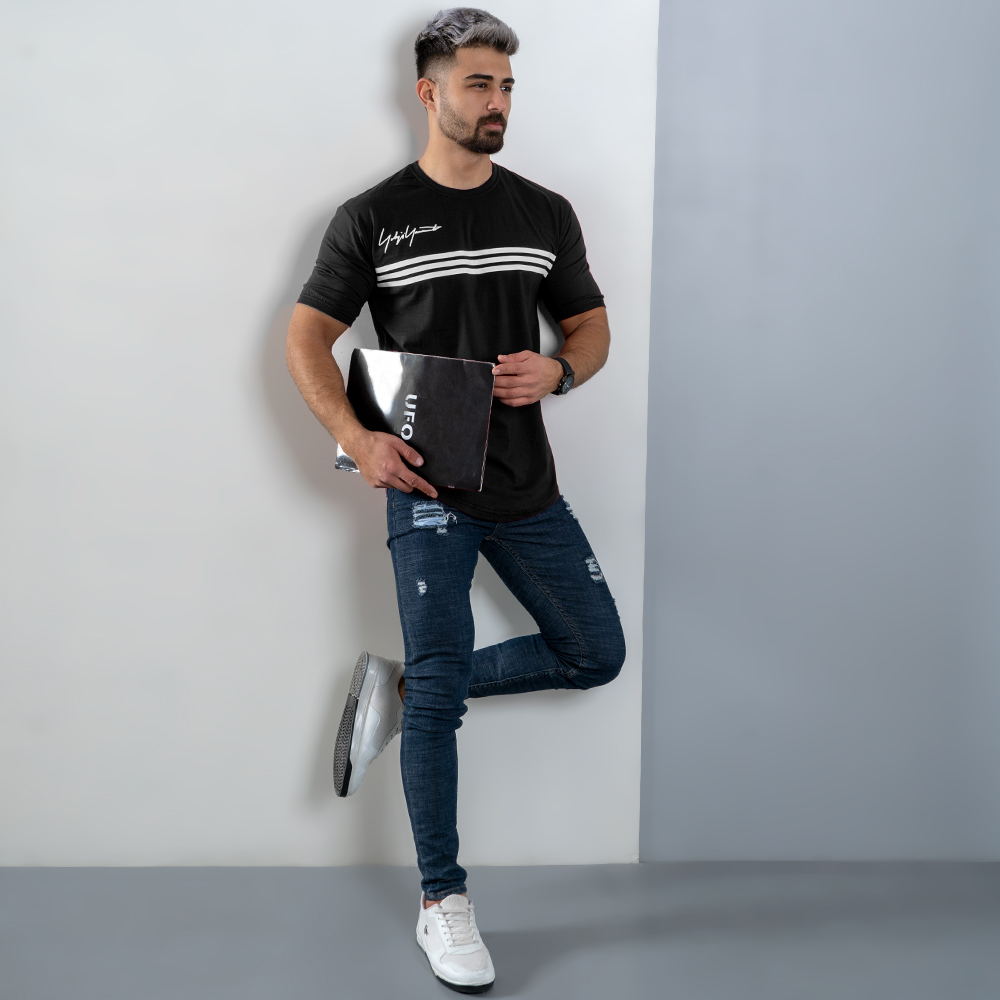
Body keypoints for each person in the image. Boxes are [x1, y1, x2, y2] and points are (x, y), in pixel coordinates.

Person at [285, 8, 625, 993]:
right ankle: (443, 901)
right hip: (428, 486)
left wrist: (561, 371)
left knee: (594, 653)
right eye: (479, 84)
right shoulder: (371, 216)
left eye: (507, 85)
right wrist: (357, 439)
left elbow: (591, 325)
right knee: (445, 688)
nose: (497, 102)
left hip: (528, 486)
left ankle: (405, 689)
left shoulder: (544, 211)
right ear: (428, 92)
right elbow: (305, 337)